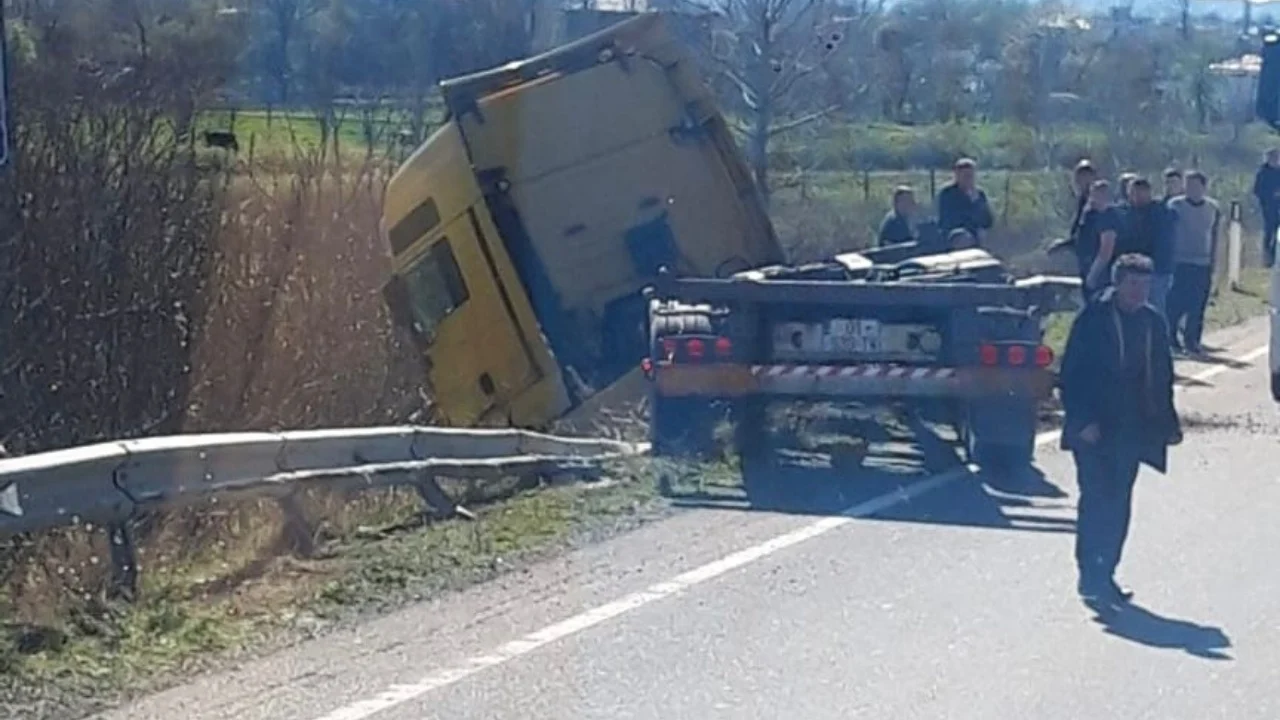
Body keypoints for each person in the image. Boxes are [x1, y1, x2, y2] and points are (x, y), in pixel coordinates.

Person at [1059, 253, 1182, 606]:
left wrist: (1166, 424)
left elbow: (1162, 378)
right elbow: (1071, 374)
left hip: (1132, 429)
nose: (1139, 292)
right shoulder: (1093, 319)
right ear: (1117, 283)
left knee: (1119, 502)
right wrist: (1082, 422)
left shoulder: (1152, 322)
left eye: (1145, 285)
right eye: (1133, 284)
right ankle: (1090, 573)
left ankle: (1107, 570)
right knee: (1095, 498)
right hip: (1094, 428)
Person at [1166, 171, 1221, 355]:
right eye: (1188, 185)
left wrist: (1214, 261)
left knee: (1198, 305)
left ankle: (1192, 341)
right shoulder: (1175, 205)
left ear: (1204, 187)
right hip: (1180, 261)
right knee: (1175, 303)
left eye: (1196, 186)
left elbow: (1215, 236)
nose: (1192, 189)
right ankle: (1171, 338)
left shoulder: (1213, 208)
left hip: (1202, 262)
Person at [1121, 177, 1174, 314]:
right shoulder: (1125, 212)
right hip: (1131, 271)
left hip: (1157, 271)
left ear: (1149, 193)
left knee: (1155, 309)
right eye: (1133, 193)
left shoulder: (1160, 212)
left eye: (1141, 193)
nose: (1137, 197)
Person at [1074, 179, 1122, 300]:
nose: (1093, 198)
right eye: (1092, 194)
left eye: (1097, 195)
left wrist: (1093, 275)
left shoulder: (1109, 216)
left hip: (1102, 272)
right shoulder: (1091, 215)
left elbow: (1106, 249)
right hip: (1088, 265)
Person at [937, 158, 994, 243]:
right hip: (953, 233)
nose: (968, 179)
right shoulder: (947, 193)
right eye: (965, 176)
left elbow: (987, 221)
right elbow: (948, 218)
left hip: (974, 233)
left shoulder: (979, 194)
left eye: (971, 176)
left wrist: (975, 201)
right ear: (957, 175)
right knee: (963, 238)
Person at [1251, 149, 1280, 267]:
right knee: (1269, 230)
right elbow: (1257, 190)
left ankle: (1276, 255)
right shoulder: (1262, 172)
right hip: (1268, 206)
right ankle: (1268, 257)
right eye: (1272, 157)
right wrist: (1271, 194)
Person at [1069, 160, 1098, 243]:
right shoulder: (1082, 200)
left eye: (1087, 175)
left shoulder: (1099, 198)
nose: (1085, 179)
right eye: (1082, 176)